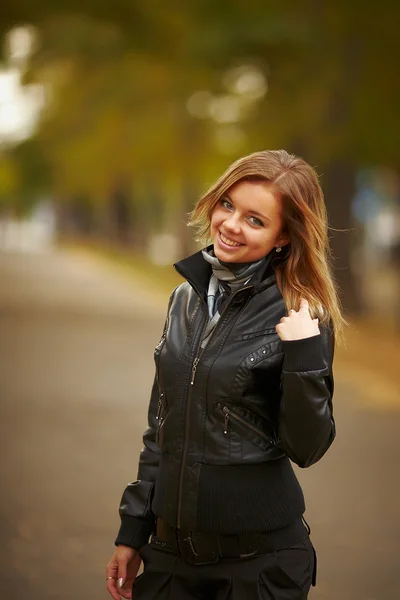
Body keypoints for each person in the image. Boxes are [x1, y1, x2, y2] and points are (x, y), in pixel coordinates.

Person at [106, 150, 345, 600]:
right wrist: (133, 530)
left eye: (256, 220)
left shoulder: (302, 313)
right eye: (228, 205)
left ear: (283, 238)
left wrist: (305, 354)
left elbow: (308, 447)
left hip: (258, 569)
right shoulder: (184, 297)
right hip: (170, 557)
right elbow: (162, 425)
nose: (231, 225)